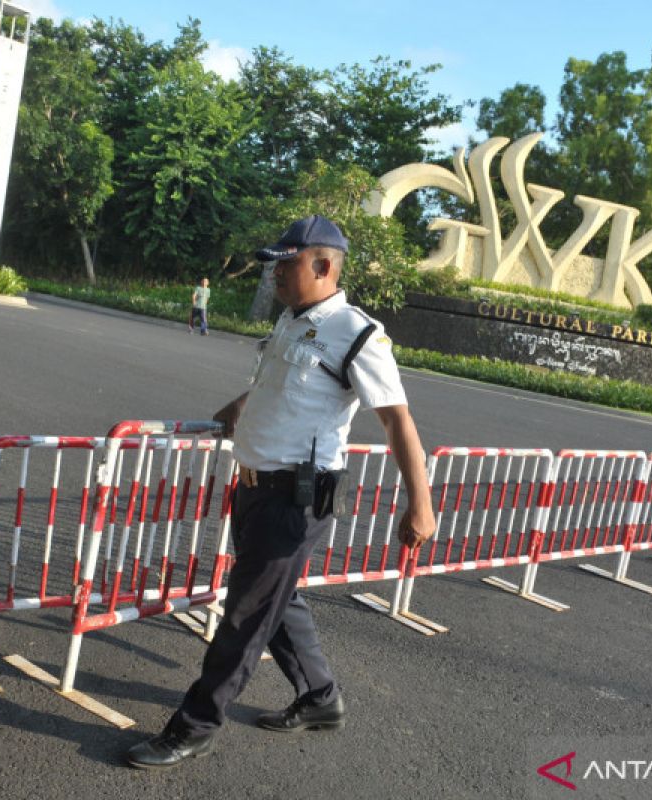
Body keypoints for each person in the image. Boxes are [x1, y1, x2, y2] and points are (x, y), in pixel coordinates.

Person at [125, 214, 436, 769]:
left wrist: (422, 504)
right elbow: (284, 385)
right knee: (278, 602)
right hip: (254, 490)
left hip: (296, 498)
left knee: (245, 617)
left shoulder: (358, 333)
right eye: (275, 266)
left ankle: (194, 726)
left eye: (286, 265)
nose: (275, 276)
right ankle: (321, 698)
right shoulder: (292, 321)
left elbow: (398, 421)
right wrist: (240, 407)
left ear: (323, 266)